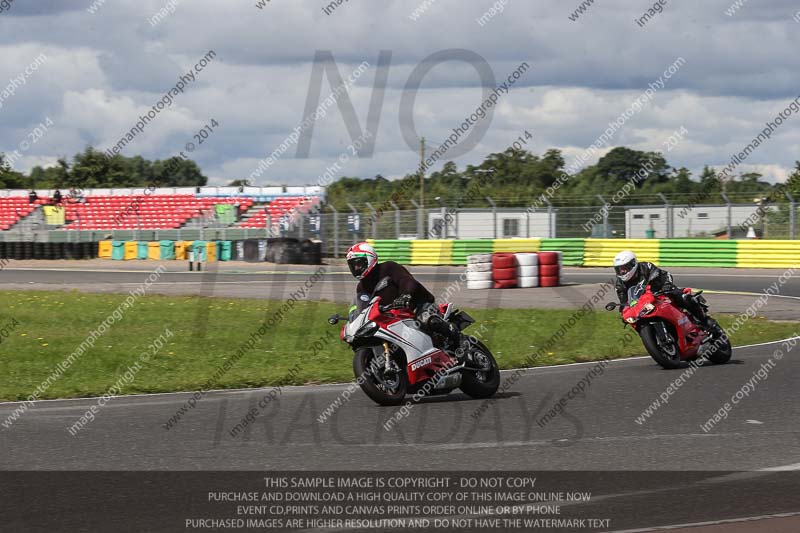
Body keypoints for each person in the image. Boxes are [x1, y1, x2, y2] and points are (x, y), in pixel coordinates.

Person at [346, 242, 469, 355]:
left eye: (358, 263)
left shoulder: (388, 268)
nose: (356, 268)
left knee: (428, 320)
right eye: (353, 265)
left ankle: (458, 339)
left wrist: (405, 295)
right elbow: (363, 306)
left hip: (416, 306)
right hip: (392, 318)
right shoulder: (361, 287)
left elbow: (407, 280)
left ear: (370, 259)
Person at [613, 250, 709, 328]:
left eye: (624, 268)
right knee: (635, 321)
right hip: (643, 304)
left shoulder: (645, 267)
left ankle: (704, 321)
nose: (622, 272)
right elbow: (624, 302)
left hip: (660, 291)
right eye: (619, 269)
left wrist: (666, 285)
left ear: (633, 264)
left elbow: (663, 275)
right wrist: (624, 314)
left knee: (682, 297)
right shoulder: (620, 284)